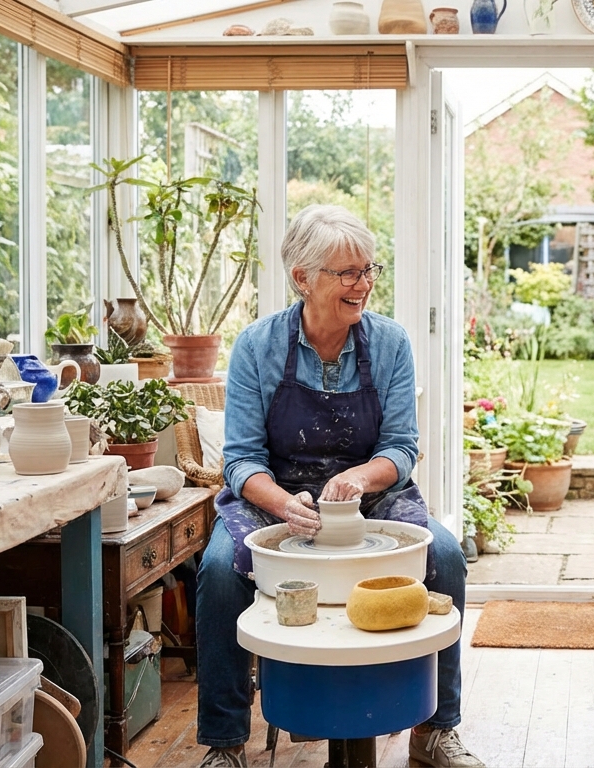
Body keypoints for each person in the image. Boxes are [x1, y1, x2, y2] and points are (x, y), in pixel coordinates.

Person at [196, 205, 484, 768]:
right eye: (347, 272)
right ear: (302, 278)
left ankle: (436, 730)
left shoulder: (390, 343)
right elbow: (241, 461)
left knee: (446, 557)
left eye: (368, 269)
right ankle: (224, 742)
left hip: (370, 496)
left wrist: (358, 476)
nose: (363, 283)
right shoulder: (257, 346)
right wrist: (284, 504)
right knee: (220, 570)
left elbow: (401, 447)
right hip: (278, 496)